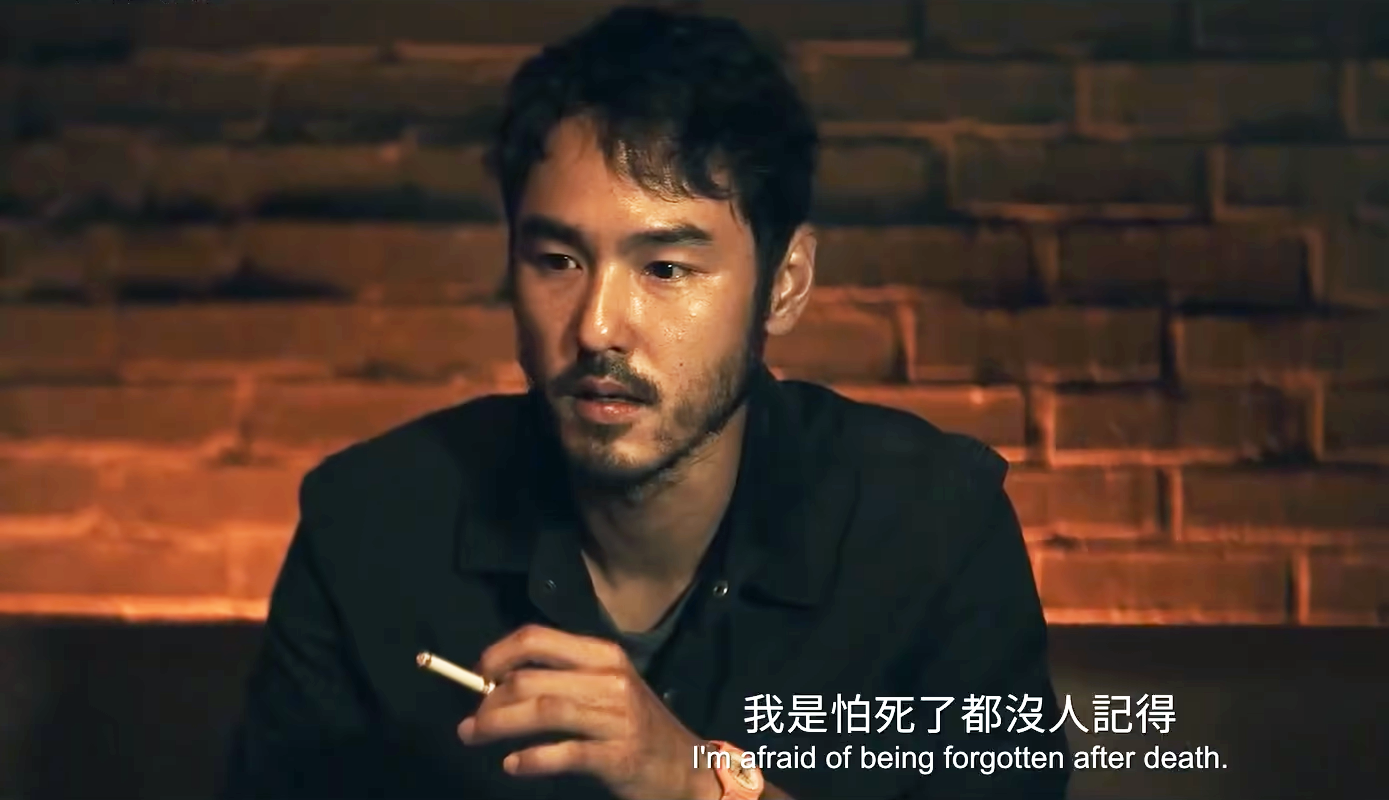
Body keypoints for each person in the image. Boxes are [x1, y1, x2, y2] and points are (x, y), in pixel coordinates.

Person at [219, 6, 1069, 799]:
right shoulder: (369, 525)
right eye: (558, 261)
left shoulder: (929, 527)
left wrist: (695, 783)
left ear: (784, 285)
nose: (596, 327)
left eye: (665, 268)